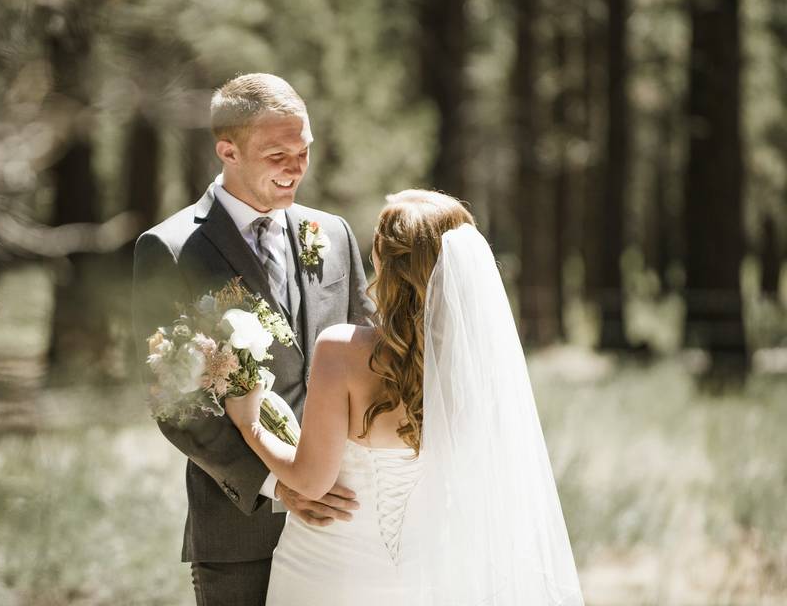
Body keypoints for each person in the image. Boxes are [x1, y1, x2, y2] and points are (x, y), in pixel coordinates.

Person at [226, 190, 585, 605]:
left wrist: (250, 425)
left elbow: (311, 480)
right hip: (428, 574)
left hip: (328, 569)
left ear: (388, 264)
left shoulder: (340, 350)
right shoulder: (473, 365)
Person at [132, 73, 375, 605]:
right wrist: (279, 487)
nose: (295, 168)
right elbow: (173, 401)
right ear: (228, 150)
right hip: (242, 528)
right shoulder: (170, 250)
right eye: (277, 154)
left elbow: (371, 354)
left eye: (303, 150)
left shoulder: (332, 234)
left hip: (347, 516)